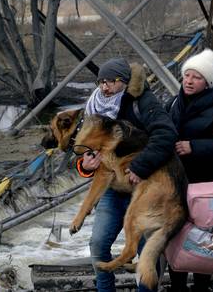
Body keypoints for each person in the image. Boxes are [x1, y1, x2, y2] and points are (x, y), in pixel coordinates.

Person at [77, 57, 178, 292]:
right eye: (101, 82)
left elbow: (165, 134)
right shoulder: (95, 106)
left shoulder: (142, 101)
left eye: (110, 82)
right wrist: (85, 166)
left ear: (123, 81)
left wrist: (140, 167)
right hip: (113, 191)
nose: (104, 87)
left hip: (144, 190)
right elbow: (84, 150)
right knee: (98, 244)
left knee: (145, 251)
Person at [167, 49, 213, 291]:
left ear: (207, 82)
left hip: (207, 185)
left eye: (196, 77)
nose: (188, 80)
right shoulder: (175, 102)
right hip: (178, 181)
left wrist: (194, 146)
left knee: (203, 239)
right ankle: (177, 286)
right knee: (176, 234)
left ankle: (201, 286)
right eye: (186, 75)